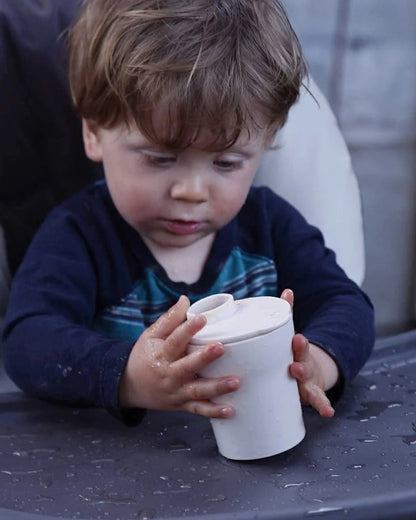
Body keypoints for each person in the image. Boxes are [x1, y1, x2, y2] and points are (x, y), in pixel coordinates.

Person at [2, 0, 374, 426]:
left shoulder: (269, 225)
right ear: (94, 133)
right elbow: (28, 341)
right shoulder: (79, 237)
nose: (192, 191)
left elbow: (346, 304)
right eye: (160, 158)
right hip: (120, 475)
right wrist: (130, 376)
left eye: (227, 163)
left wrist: (318, 365)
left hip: (263, 466)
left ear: (266, 141)